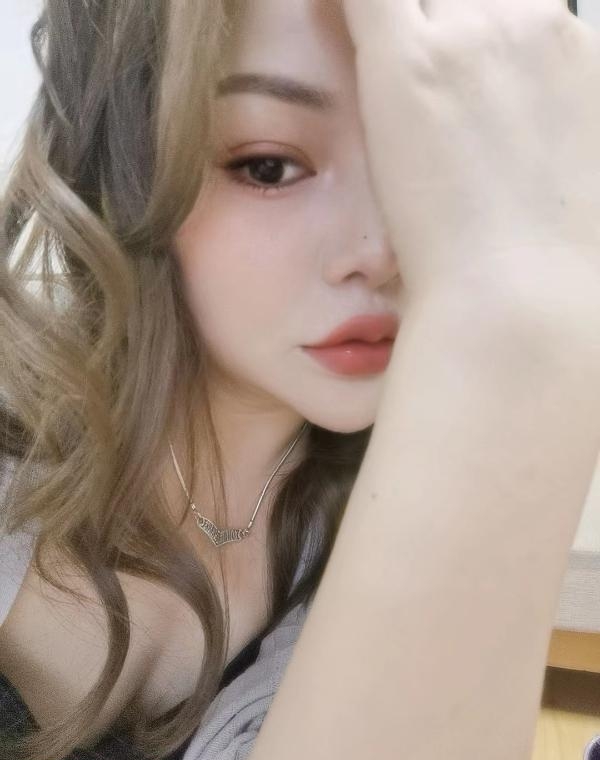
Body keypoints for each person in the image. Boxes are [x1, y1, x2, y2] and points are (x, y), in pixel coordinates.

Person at [2, 1, 600, 759]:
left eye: (440, 170)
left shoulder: (409, 502)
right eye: (270, 166)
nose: (380, 252)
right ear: (124, 171)